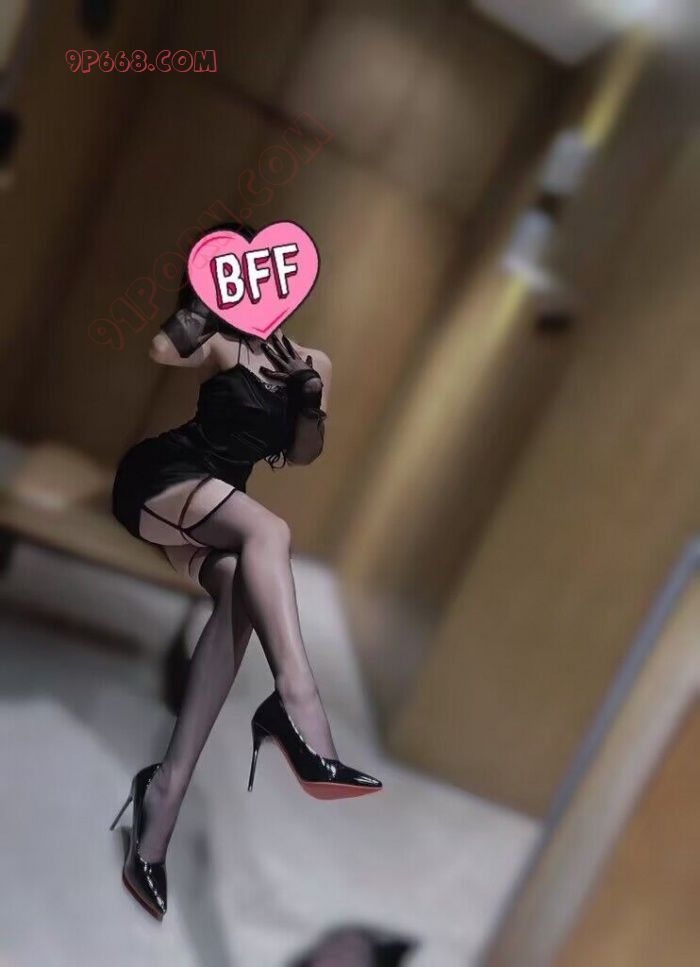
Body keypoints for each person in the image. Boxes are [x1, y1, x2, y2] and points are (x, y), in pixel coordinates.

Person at [109, 223, 382, 920]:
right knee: (272, 532)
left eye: (266, 274)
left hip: (218, 505)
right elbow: (161, 347)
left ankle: (162, 799)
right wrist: (208, 295)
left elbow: (305, 452)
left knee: (239, 587)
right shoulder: (219, 341)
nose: (258, 286)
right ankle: (297, 702)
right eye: (242, 274)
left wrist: (307, 393)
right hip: (164, 478)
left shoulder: (311, 359)